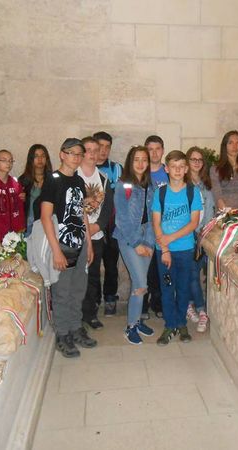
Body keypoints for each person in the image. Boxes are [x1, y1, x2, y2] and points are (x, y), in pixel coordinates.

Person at [39, 138, 96, 358]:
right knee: (62, 291)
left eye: (80, 154)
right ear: (62, 154)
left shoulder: (79, 181)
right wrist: (56, 251)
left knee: (78, 289)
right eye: (72, 153)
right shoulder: (52, 180)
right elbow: (46, 217)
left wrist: (89, 243)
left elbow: (82, 214)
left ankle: (75, 327)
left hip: (80, 243)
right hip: (62, 244)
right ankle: (62, 335)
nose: (76, 157)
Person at [152, 150, 202, 346]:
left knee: (183, 288)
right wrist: (165, 248)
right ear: (167, 169)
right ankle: (169, 325)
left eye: (181, 166)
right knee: (167, 288)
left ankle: (181, 323)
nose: (178, 170)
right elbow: (156, 223)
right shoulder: (160, 193)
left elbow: (193, 223)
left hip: (185, 250)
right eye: (174, 166)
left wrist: (171, 238)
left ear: (186, 169)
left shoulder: (192, 192)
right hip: (164, 252)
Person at [113, 146, 155, 345]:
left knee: (140, 284)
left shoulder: (151, 185)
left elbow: (154, 216)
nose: (140, 163)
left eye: (144, 160)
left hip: (148, 236)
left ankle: (136, 321)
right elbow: (121, 219)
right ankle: (130, 327)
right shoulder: (123, 185)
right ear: (130, 162)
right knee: (140, 284)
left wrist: (149, 242)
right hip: (128, 238)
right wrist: (137, 243)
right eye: (136, 159)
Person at [77, 137, 114, 330]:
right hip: (76, 236)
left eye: (95, 150)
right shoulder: (73, 176)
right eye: (88, 150)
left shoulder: (103, 178)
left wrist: (97, 226)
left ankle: (90, 314)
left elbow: (107, 208)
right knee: (76, 278)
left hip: (96, 235)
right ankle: (76, 317)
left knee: (92, 276)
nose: (92, 154)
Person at [185, 147, 215, 333]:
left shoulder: (207, 185)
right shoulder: (183, 184)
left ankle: (190, 304)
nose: (196, 162)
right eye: (193, 159)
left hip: (204, 236)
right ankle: (201, 310)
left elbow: (210, 211)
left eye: (199, 159)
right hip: (187, 236)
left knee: (195, 274)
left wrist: (205, 233)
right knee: (192, 274)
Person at [94, 131, 122, 316]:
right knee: (93, 266)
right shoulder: (85, 168)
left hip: (112, 226)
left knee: (111, 266)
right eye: (100, 146)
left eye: (107, 147)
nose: (103, 151)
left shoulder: (117, 169)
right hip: (92, 226)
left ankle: (110, 298)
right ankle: (94, 299)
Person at [142, 135, 167, 319]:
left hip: (165, 228)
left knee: (160, 269)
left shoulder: (169, 172)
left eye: (157, 149)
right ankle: (142, 304)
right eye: (150, 149)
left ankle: (157, 303)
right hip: (145, 229)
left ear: (163, 151)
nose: (154, 153)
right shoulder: (140, 172)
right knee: (143, 269)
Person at [209, 130, 238, 211]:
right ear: (225, 146)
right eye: (231, 143)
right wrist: (227, 213)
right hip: (222, 213)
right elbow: (217, 195)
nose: (235, 146)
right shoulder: (215, 169)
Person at [18, 144, 53, 237]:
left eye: (43, 156)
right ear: (31, 159)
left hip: (46, 225)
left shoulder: (52, 180)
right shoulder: (23, 180)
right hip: (28, 225)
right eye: (36, 156)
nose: (40, 159)